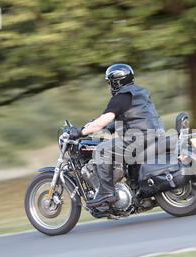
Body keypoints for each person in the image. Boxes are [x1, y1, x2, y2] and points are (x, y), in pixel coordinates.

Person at [67, 63, 165, 208]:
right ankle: (136, 192)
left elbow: (103, 120)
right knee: (125, 156)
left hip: (138, 138)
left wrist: (80, 132)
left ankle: (106, 193)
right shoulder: (141, 92)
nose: (108, 87)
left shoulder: (120, 97)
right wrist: (108, 128)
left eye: (109, 83)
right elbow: (134, 118)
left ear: (116, 82)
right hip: (154, 135)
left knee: (102, 150)